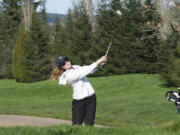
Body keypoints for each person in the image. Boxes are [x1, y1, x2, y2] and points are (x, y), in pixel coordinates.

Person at [51, 55, 107, 126]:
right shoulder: (68, 75)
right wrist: (99, 60)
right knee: (76, 125)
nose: (67, 63)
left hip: (91, 99)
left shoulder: (75, 67)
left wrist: (101, 63)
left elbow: (90, 70)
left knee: (90, 124)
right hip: (79, 102)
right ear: (61, 67)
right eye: (63, 63)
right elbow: (83, 72)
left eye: (67, 60)